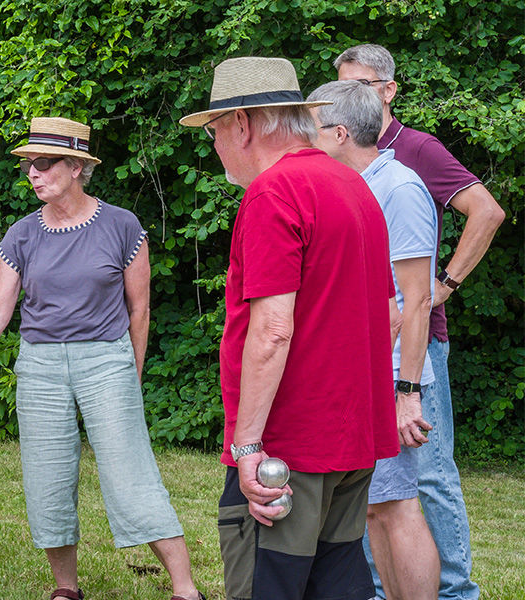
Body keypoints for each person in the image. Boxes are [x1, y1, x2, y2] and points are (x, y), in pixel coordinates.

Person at [0, 116, 204, 600]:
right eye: (28, 165)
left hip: (106, 360)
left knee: (130, 475)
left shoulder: (123, 226)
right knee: (47, 479)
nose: (33, 173)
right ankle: (66, 589)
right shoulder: (21, 235)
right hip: (39, 365)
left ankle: (185, 589)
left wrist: (131, 374)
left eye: (44, 163)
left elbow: (139, 310)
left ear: (78, 166)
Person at [179, 57, 399, 600]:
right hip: (351, 440)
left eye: (213, 131)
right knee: (338, 584)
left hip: (288, 448)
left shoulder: (274, 193)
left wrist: (249, 442)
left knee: (267, 583)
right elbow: (391, 313)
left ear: (243, 124)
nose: (214, 145)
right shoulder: (354, 186)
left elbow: (274, 329)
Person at [334, 44, 505, 600]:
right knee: (376, 485)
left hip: (416, 344)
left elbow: (488, 211)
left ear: (388, 90)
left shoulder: (414, 151)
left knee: (426, 476)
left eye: (360, 84)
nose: (350, 95)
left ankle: (456, 592)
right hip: (365, 345)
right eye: (342, 84)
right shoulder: (338, 152)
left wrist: (442, 288)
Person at [308, 79, 441, 600]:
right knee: (374, 506)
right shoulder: (352, 184)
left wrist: (407, 391)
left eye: (311, 128)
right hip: (362, 373)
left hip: (391, 378)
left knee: (396, 505)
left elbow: (418, 299)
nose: (303, 138)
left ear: (340, 133)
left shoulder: (399, 188)